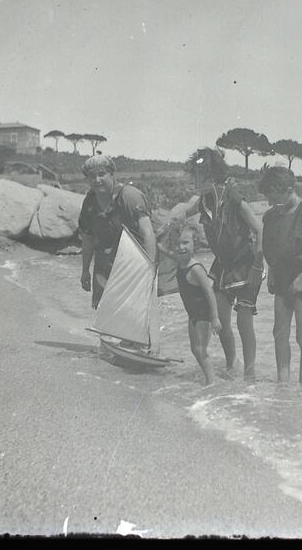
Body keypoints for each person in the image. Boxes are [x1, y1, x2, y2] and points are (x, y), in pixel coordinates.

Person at [172, 147, 264, 380]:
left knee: (243, 322)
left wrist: (258, 266)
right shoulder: (204, 201)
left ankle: (250, 373)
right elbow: (183, 211)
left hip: (246, 265)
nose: (194, 183)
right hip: (223, 265)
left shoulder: (235, 199)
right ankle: (232, 363)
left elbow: (260, 230)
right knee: (221, 320)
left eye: (198, 178)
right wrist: (172, 220)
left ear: (212, 177)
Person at [258, 166, 302, 386]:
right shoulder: (272, 216)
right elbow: (272, 247)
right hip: (281, 278)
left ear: (289, 190)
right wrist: (271, 271)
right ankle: (283, 385)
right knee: (279, 333)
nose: (270, 202)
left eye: (273, 197)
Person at [78, 155, 157, 311]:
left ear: (112, 174)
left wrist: (149, 271)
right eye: (92, 176)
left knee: (134, 315)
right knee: (104, 315)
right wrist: (85, 270)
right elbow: (87, 239)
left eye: (102, 174)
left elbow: (147, 233)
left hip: (133, 265)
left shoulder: (129, 197)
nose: (97, 180)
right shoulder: (89, 202)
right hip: (104, 268)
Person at [174, 224, 222, 386]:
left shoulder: (196, 268)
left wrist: (215, 318)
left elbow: (209, 293)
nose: (181, 247)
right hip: (192, 314)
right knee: (195, 349)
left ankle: (211, 382)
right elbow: (165, 249)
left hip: (203, 314)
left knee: (200, 350)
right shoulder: (181, 263)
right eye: (178, 243)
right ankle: (210, 379)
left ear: (195, 244)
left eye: (185, 243)